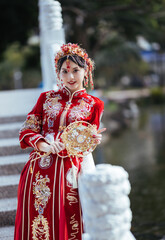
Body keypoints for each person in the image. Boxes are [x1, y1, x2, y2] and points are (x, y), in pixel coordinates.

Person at [14, 43, 105, 240]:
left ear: (86, 70)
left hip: (71, 168)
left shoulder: (94, 104)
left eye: (75, 70)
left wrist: (93, 138)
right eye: (64, 71)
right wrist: (44, 144)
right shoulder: (46, 98)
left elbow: (88, 138)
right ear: (58, 73)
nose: (70, 77)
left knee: (68, 219)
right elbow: (26, 130)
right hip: (40, 168)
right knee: (40, 220)